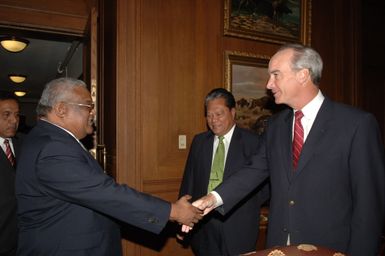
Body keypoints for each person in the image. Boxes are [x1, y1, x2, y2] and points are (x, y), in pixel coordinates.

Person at [187, 44, 385, 256]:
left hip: (330, 247)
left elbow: (369, 207)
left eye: (276, 75)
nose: (268, 84)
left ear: (303, 75)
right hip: (279, 246)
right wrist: (214, 198)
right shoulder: (275, 126)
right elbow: (253, 171)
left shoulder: (355, 124)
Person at [15, 77, 202, 255]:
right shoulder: (53, 148)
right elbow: (104, 192)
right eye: (88, 106)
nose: (93, 113)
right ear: (62, 109)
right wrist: (173, 211)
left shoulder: (47, 138)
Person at [178, 88, 269, 255]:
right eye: (209, 115)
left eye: (219, 114)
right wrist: (182, 217)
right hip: (203, 226)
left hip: (238, 226)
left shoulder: (253, 142)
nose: (213, 120)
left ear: (232, 112)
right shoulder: (199, 142)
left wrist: (247, 208)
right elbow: (189, 182)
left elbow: (263, 188)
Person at [0, 93, 21, 256]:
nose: (13, 121)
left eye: (16, 115)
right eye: (6, 115)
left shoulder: (26, 144)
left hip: (23, 238)